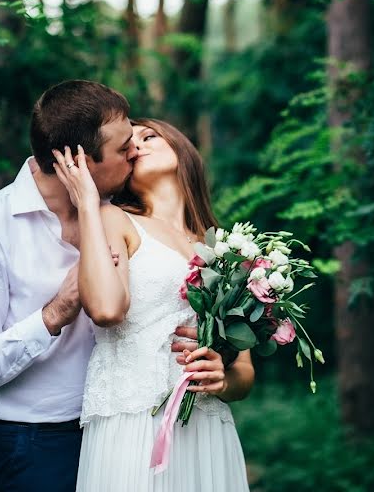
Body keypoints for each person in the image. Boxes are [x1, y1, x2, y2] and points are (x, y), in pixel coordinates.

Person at [0, 80, 138, 492]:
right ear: (79, 162)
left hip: (123, 436)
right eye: (123, 149)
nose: (135, 153)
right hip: (32, 448)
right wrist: (53, 315)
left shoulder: (122, 218)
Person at [51, 118, 254, 492]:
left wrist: (222, 379)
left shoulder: (225, 250)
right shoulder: (116, 220)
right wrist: (88, 204)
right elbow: (104, 309)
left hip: (208, 427)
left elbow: (243, 372)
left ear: (181, 149)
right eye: (128, 144)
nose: (136, 146)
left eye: (148, 136)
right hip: (133, 421)